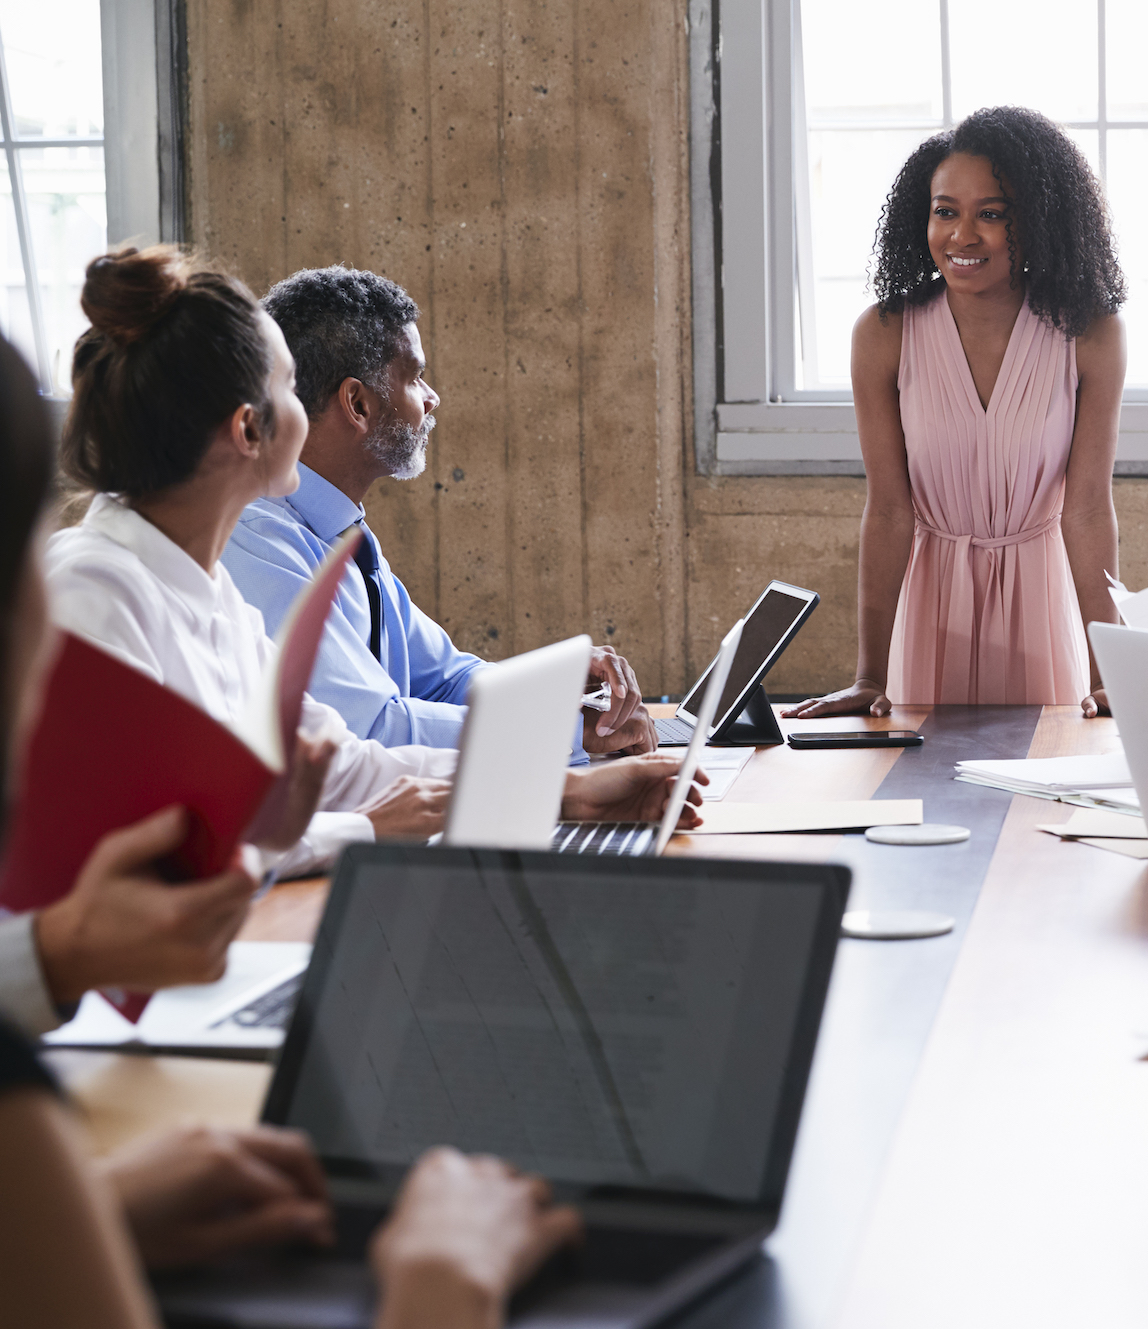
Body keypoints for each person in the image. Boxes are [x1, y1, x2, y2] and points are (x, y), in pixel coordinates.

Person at [0, 330, 579, 1329]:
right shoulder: (101, 582)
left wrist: (568, 785)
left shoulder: (216, 581)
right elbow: (196, 829)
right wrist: (441, 1290)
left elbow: (335, 751)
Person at [44, 247, 696, 889]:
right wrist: (364, 830)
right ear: (250, 430)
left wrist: (569, 792)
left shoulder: (210, 594)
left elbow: (343, 766)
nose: (303, 407)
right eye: (287, 389)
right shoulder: (92, 589)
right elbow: (137, 846)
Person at [222, 266, 656, 760]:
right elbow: (370, 729)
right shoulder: (262, 542)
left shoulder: (344, 535)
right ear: (357, 404)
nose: (432, 399)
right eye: (416, 377)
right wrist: (556, 733)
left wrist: (557, 692)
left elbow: (447, 678)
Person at [784, 105, 1126, 719]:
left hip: (1039, 606)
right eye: (946, 211)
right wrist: (869, 675)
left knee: (1039, 791)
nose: (962, 236)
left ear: (1037, 222)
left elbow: (1089, 510)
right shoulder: (884, 333)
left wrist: (1112, 676)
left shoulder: (1090, 334)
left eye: (991, 214)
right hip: (932, 608)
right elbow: (889, 511)